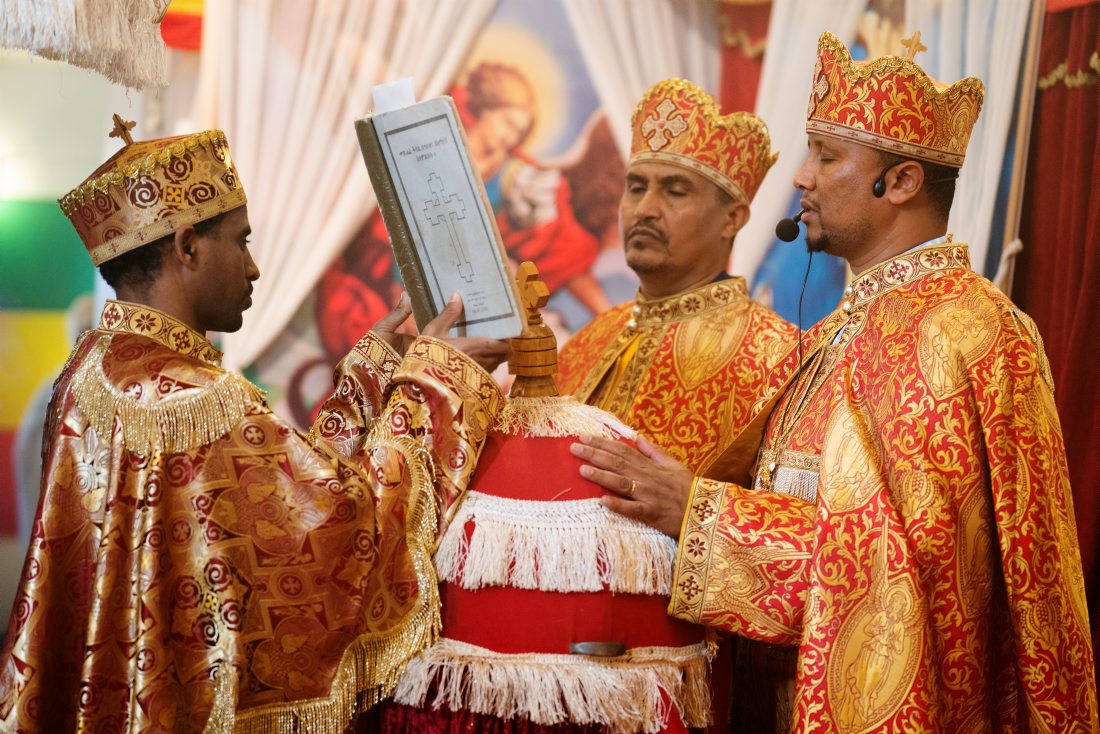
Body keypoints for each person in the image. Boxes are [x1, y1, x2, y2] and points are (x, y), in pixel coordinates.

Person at [571, 32, 1098, 731]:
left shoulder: (970, 335)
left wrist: (702, 516)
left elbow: (914, 577)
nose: (802, 177)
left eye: (826, 155)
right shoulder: (827, 336)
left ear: (902, 182)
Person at [0, 118, 511, 732]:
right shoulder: (201, 397)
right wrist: (435, 383)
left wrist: (371, 374)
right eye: (241, 241)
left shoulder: (91, 371)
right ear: (188, 247)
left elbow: (282, 506)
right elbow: (345, 529)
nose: (254, 268)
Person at [555, 79, 800, 731]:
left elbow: (807, 541)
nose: (644, 208)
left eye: (675, 189)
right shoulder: (588, 339)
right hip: (555, 671)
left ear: (733, 218)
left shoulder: (773, 351)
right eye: (637, 186)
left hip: (684, 683)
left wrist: (692, 505)